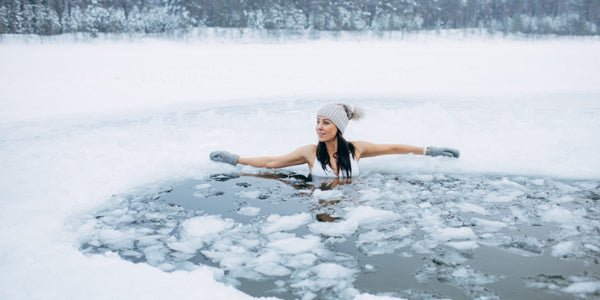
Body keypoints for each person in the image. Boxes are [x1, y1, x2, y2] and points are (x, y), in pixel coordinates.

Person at [209, 103, 460, 178]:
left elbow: (393, 147)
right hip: (318, 197)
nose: (319, 127)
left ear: (338, 127)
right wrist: (236, 159)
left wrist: (430, 150)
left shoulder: (355, 150)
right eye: (317, 121)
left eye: (325, 123)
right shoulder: (310, 152)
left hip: (352, 205)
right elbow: (274, 162)